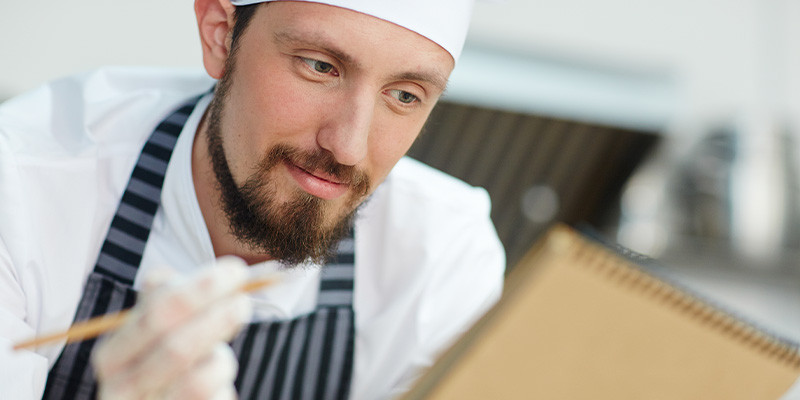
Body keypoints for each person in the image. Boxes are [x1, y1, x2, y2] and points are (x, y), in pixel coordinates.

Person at [0, 0, 505, 399]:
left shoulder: (440, 262)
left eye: (405, 95)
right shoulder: (24, 187)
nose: (348, 146)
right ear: (221, 32)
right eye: (320, 65)